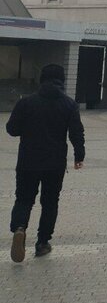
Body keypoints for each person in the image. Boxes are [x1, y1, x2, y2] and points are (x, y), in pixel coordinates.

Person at [7, 64, 84, 262]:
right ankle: (42, 243)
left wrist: (27, 127)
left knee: (23, 199)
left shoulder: (26, 103)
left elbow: (12, 129)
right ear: (62, 80)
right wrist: (79, 156)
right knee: (50, 202)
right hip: (55, 163)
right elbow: (76, 132)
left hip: (28, 161)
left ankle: (19, 228)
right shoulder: (69, 104)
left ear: (42, 79)